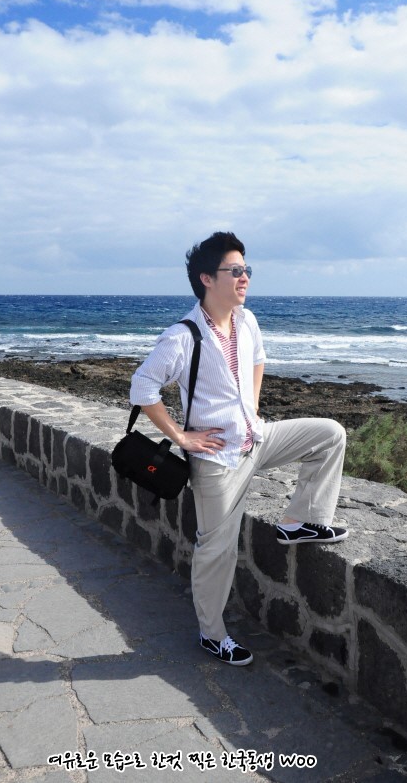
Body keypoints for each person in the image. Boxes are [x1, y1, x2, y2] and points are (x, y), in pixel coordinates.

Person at [130, 231, 348, 667]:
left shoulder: (246, 320)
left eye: (246, 269)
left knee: (330, 434)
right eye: (235, 270)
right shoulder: (183, 336)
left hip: (257, 441)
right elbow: (142, 386)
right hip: (216, 459)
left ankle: (299, 522)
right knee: (217, 549)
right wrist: (182, 437)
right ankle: (212, 634)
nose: (244, 277)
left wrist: (253, 407)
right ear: (207, 279)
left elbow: (258, 358)